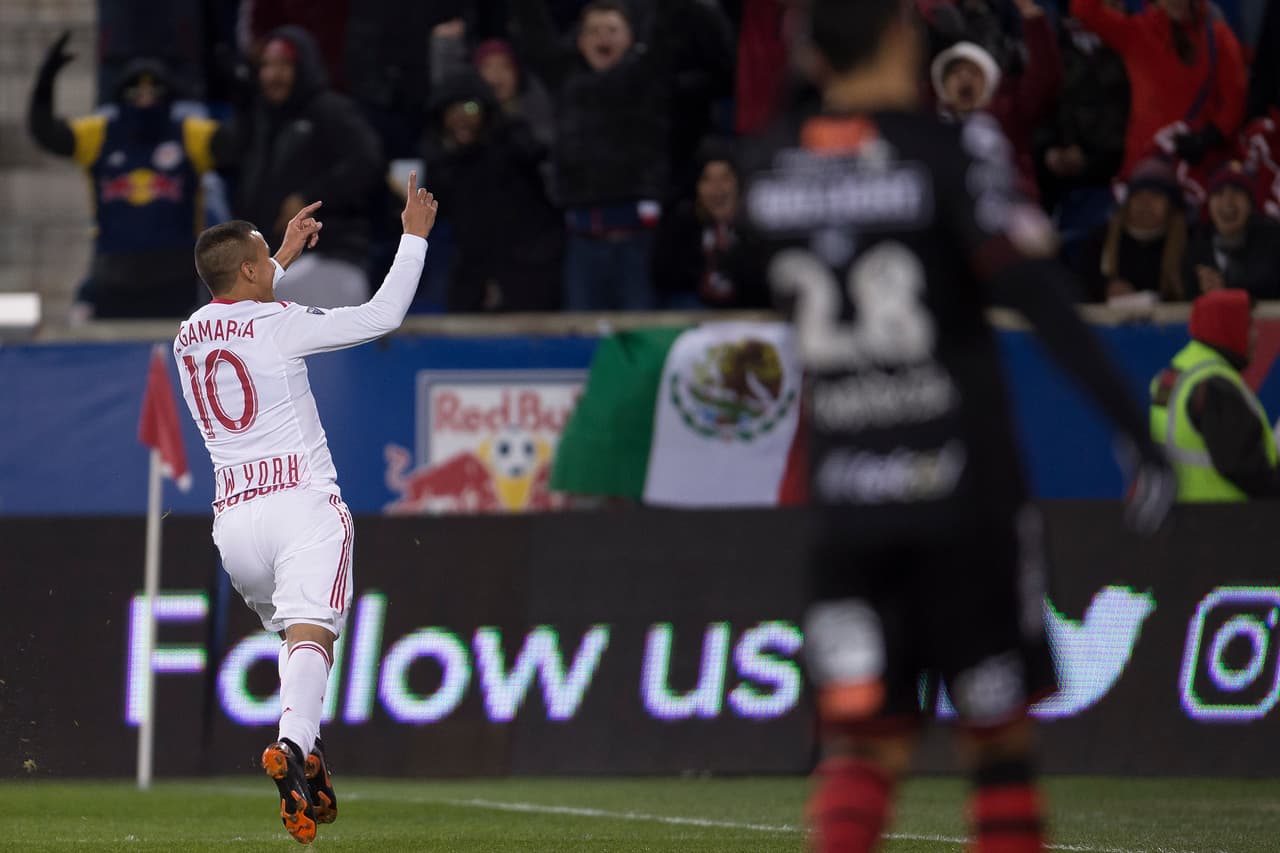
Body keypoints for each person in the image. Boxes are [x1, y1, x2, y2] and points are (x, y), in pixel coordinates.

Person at [739, 1, 1175, 850]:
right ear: (904, 39)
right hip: (961, 489)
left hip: (849, 502)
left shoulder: (767, 170)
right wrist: (1132, 423)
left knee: (864, 739)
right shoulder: (949, 150)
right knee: (998, 738)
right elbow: (1036, 293)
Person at [174, 173, 437, 843]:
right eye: (268, 252)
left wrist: (277, 256)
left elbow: (242, 310)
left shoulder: (188, 336)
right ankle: (292, 749)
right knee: (312, 634)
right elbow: (382, 316)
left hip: (234, 527)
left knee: (297, 638)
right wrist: (413, 238)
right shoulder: (282, 324)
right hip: (300, 504)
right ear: (253, 269)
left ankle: (307, 753)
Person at [28, 35, 218, 319]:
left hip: (176, 279)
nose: (144, 100)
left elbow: (238, 143)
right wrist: (45, 84)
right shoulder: (100, 133)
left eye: (153, 92)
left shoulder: (190, 133)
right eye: (136, 93)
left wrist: (239, 90)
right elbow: (46, 133)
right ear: (121, 95)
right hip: (113, 277)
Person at [212, 27, 383, 308]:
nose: (272, 75)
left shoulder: (328, 110)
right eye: (265, 66)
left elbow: (367, 162)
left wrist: (309, 198)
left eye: (284, 65)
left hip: (328, 259)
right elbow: (222, 152)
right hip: (273, 265)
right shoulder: (257, 119)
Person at [422, 73, 563, 312]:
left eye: (469, 107)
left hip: (528, 271)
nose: (460, 118)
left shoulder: (514, 148)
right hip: (474, 272)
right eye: (451, 110)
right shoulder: (443, 167)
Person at [1070, 0, 1247, 178]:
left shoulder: (1218, 37)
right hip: (1143, 170)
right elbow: (1083, 9)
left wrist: (1207, 139)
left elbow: (1234, 101)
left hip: (1197, 169)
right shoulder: (1136, 31)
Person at [1150, 289, 1279, 500]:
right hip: (1226, 520)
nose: (1256, 336)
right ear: (1229, 328)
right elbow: (1246, 470)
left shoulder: (1176, 374)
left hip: (1182, 514)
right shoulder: (1215, 387)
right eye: (1249, 326)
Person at [930, 0, 1062, 200]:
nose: (965, 78)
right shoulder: (927, 122)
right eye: (955, 73)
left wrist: (1032, 17)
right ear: (942, 85)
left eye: (974, 72)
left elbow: (1045, 76)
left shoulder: (1009, 112)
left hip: (1008, 212)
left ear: (989, 80)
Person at [1072, 157, 1189, 302]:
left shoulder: (1188, 243)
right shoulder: (1100, 240)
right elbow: (1078, 287)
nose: (1145, 203)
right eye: (1138, 195)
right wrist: (1104, 288)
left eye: (1155, 195)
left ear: (1171, 205)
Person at [1184, 161, 1280, 300]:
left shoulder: (1273, 244)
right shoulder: (1195, 248)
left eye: (1237, 191)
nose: (1227, 202)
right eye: (1219, 192)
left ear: (1250, 204)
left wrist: (1228, 292)